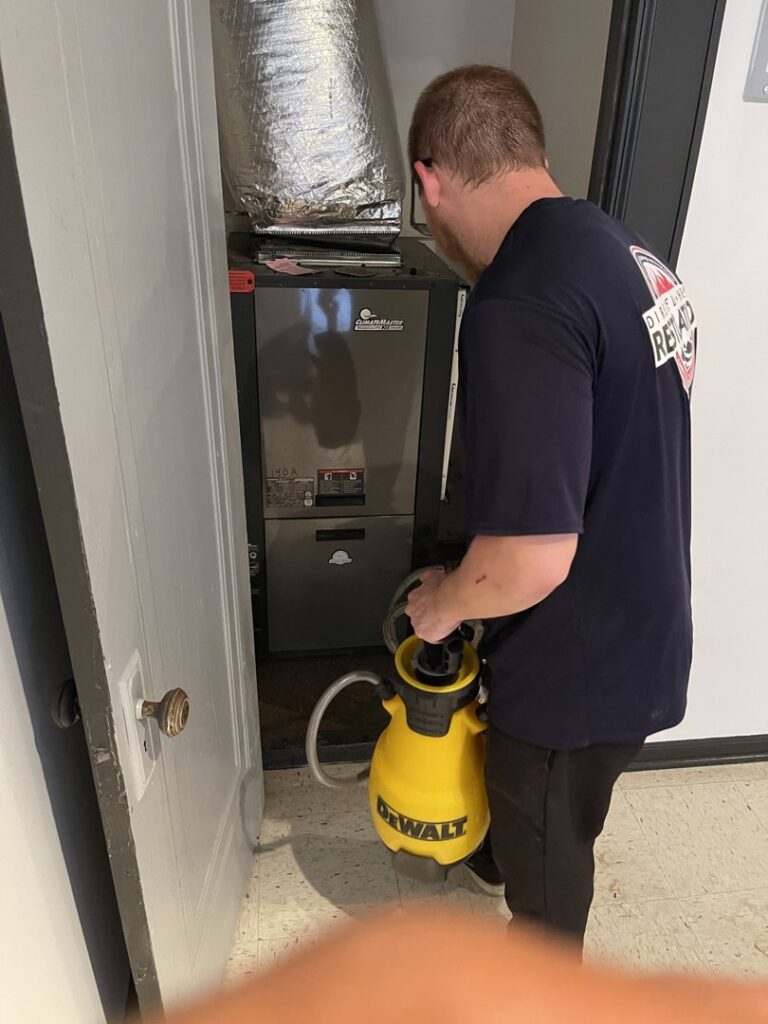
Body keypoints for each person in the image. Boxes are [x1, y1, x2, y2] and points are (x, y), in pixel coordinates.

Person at [405, 65, 696, 947]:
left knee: (545, 909)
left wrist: (441, 604)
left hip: (572, 678)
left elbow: (532, 559)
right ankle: (509, 848)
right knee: (555, 819)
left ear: (431, 180)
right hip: (642, 631)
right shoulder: (631, 255)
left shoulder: (518, 299)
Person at [159, 910, 768, 1024]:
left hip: (570, 705)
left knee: (549, 864)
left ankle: (550, 948)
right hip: (635, 677)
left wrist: (441, 607)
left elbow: (537, 568)